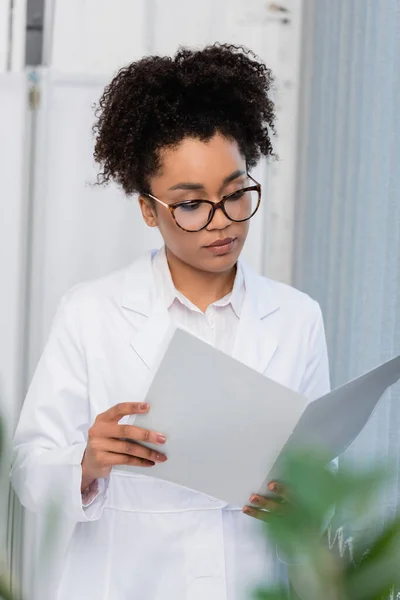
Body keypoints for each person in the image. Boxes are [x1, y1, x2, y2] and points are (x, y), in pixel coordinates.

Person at [11, 44, 330, 600]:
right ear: (148, 208)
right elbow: (28, 471)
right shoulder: (92, 312)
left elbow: (319, 466)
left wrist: (300, 497)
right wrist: (86, 463)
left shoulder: (297, 318)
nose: (221, 222)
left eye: (235, 194)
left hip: (248, 581)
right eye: (190, 204)